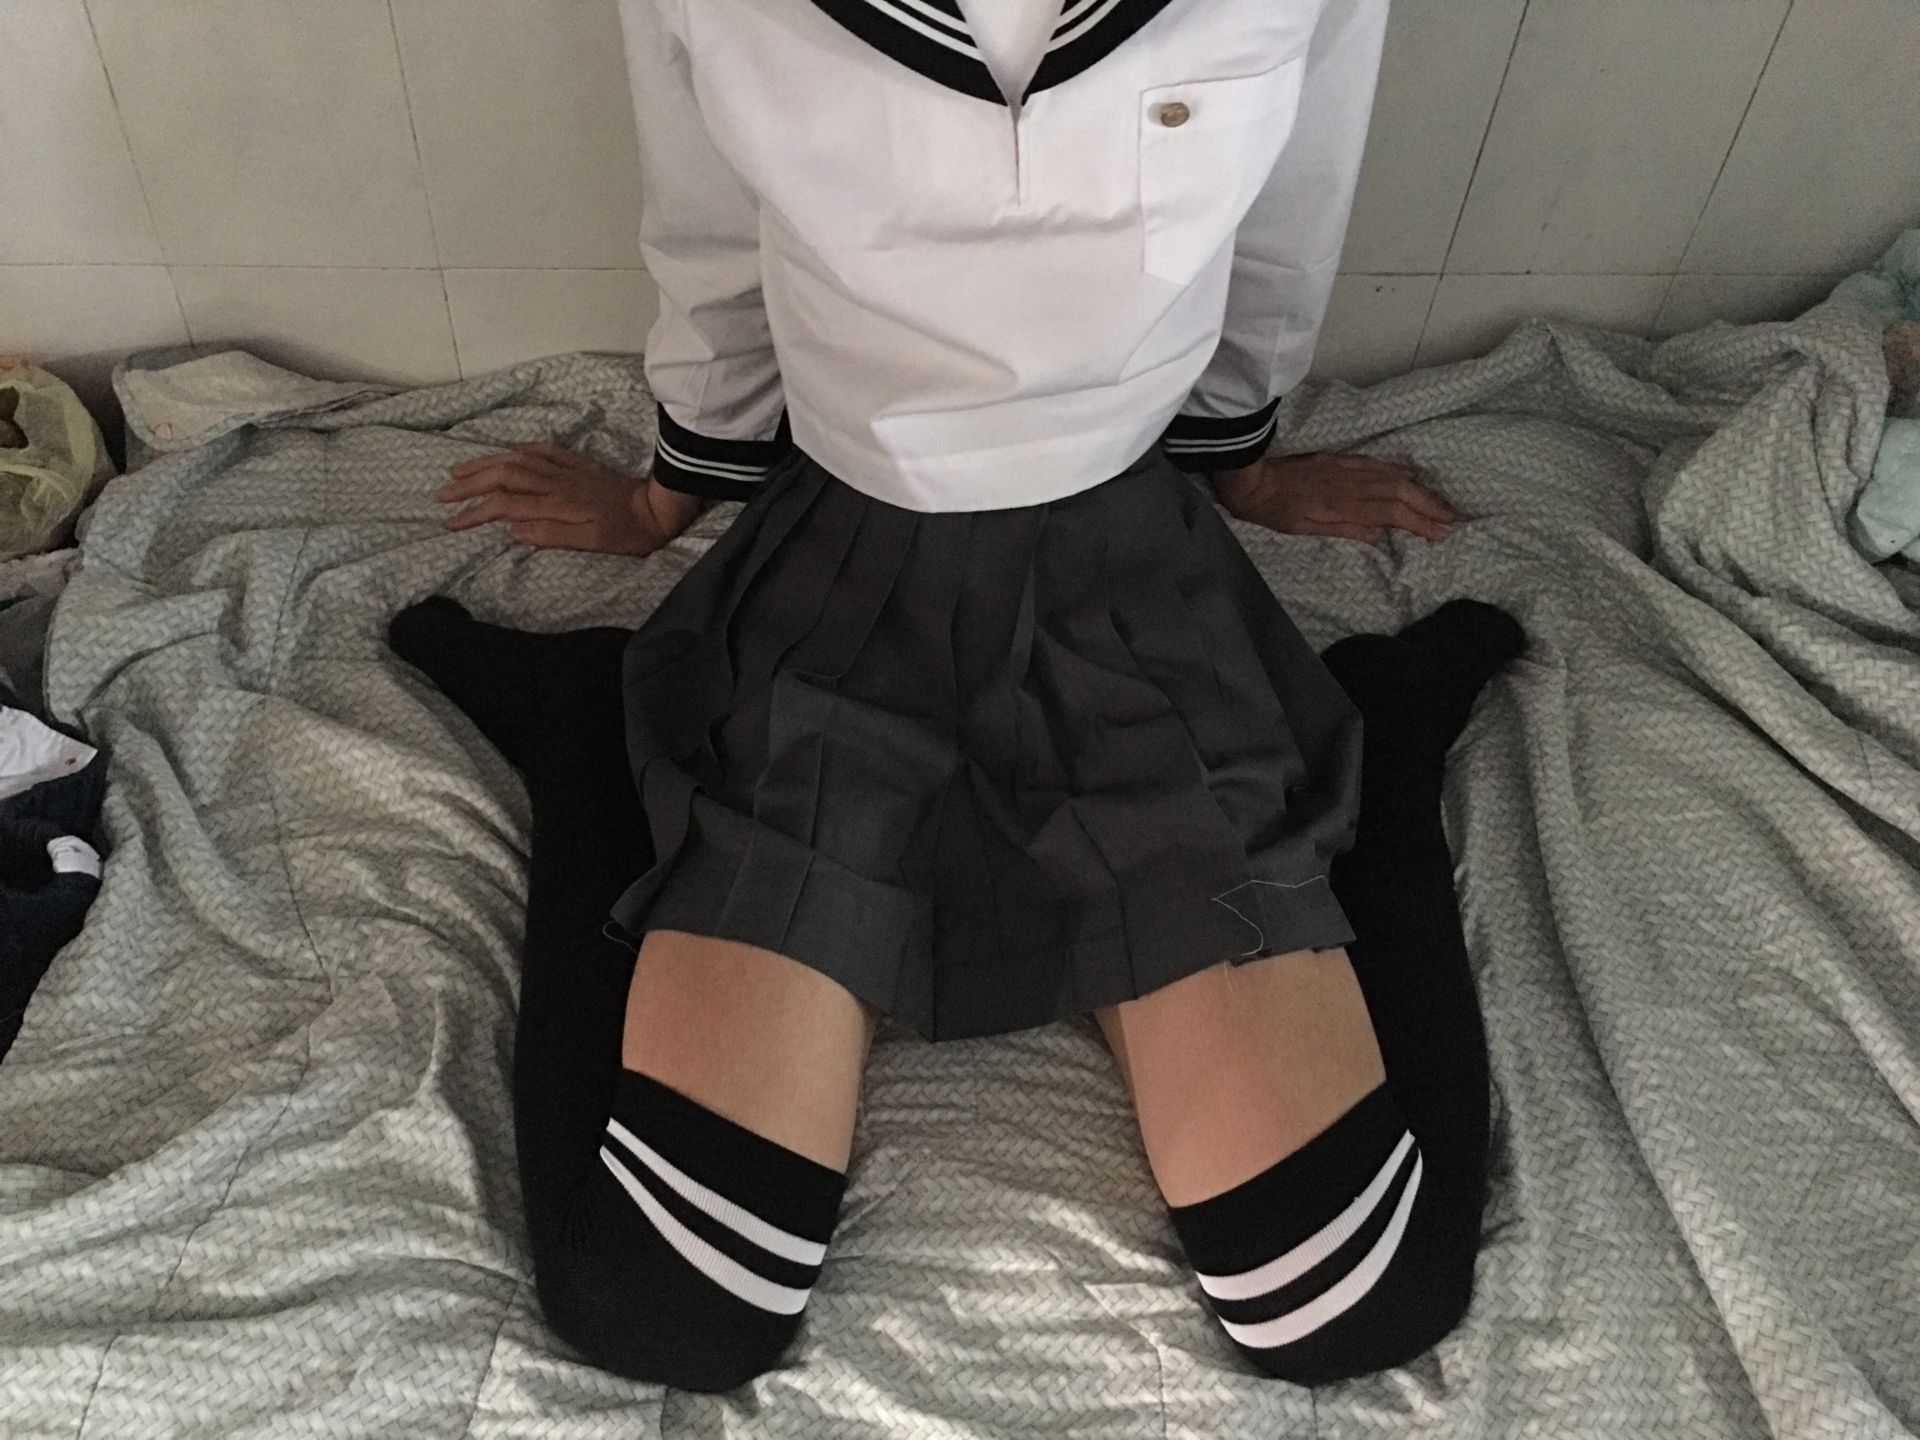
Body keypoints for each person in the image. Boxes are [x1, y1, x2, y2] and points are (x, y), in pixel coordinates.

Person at [388, 0, 1521, 1393]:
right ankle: (587, 736)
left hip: (1129, 581)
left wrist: (1242, 457)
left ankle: (1378, 745)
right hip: (846, 578)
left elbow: (1289, 198)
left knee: (1349, 1298)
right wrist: (668, 493)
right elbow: (711, 229)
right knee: (663, 1306)